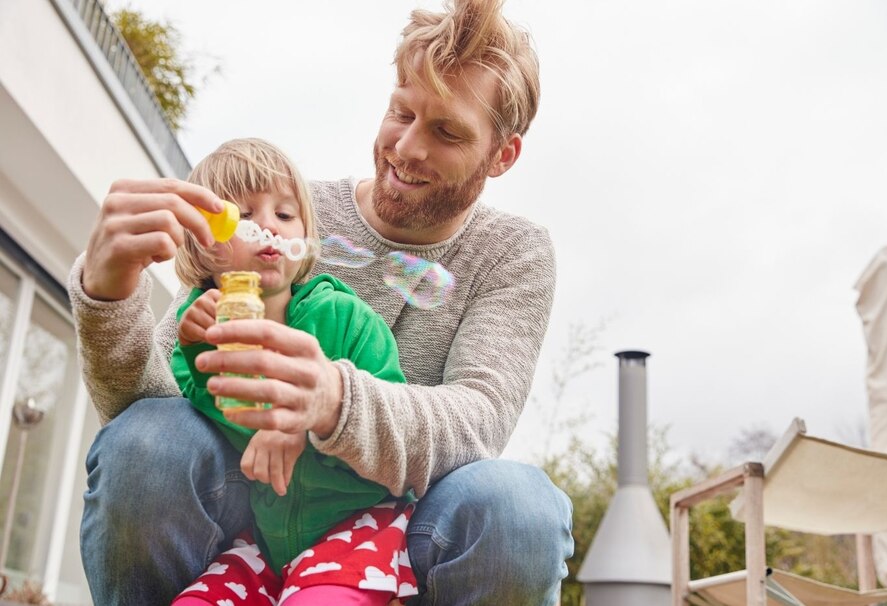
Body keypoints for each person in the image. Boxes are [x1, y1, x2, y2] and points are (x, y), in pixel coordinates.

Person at [70, 0, 573, 604]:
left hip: (397, 526)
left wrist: (334, 401)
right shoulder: (286, 213)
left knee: (521, 510)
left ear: (502, 155)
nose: (406, 147)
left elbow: (477, 422)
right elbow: (149, 418)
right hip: (249, 510)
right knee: (146, 442)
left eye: (446, 131)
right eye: (401, 111)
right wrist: (107, 298)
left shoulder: (513, 253)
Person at [166, 138, 417, 605]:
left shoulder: (346, 317)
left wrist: (314, 421)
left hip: (358, 527)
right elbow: (210, 407)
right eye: (243, 215)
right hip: (265, 538)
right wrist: (195, 348)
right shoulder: (213, 324)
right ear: (203, 245)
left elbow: (396, 423)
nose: (268, 225)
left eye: (284, 215)